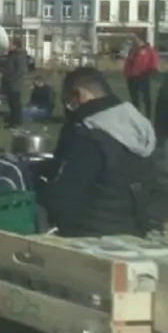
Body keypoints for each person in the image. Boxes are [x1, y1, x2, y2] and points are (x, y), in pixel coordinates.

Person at [39, 67, 156, 237]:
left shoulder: (89, 136)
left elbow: (62, 199)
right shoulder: (140, 127)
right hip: (134, 231)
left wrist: (39, 185)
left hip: (89, 235)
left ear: (79, 95)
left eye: (68, 102)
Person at [124, 33, 158, 115]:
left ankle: (148, 115)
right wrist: (126, 74)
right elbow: (128, 62)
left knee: (145, 98)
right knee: (134, 98)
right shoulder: (132, 50)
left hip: (143, 76)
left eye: (135, 39)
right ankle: (136, 114)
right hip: (132, 77)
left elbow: (154, 61)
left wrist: (150, 71)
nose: (134, 41)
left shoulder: (149, 50)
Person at [0, 40, 30, 127]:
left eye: (10, 44)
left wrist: (10, 78)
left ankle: (16, 122)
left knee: (15, 104)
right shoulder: (12, 55)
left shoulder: (20, 56)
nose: (8, 46)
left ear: (16, 46)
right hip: (10, 83)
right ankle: (13, 121)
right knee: (11, 103)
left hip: (15, 84)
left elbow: (20, 71)